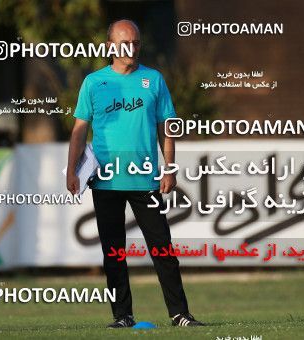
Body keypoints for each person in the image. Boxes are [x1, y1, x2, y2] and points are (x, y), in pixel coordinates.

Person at [66, 19, 204, 328]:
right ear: (110, 47)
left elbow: (167, 129)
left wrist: (168, 168)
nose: (132, 48)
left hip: (144, 180)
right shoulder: (93, 83)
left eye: (136, 43)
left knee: (163, 249)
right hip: (106, 181)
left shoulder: (154, 80)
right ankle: (123, 316)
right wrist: (72, 169)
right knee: (114, 253)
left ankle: (180, 314)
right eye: (125, 43)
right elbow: (79, 130)